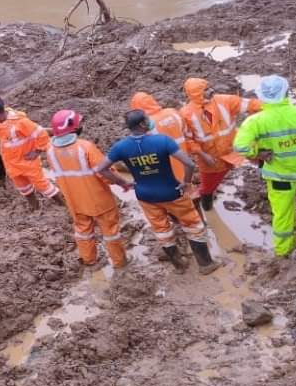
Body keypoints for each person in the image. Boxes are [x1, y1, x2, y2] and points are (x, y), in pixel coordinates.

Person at [233, 76, 296, 267]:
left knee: (282, 214)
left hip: (279, 178)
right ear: (286, 92)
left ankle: (283, 251)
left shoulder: (255, 121)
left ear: (261, 96)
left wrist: (258, 154)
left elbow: (240, 147)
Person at [98, 110, 217, 274]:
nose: (149, 121)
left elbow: (101, 169)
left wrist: (123, 183)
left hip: (145, 196)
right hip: (172, 192)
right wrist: (186, 183)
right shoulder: (162, 141)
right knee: (193, 225)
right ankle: (205, 264)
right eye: (146, 119)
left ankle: (179, 265)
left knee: (162, 229)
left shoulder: (121, 147)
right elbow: (189, 164)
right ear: (142, 124)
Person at [47, 110, 127, 269]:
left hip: (74, 201)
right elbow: (105, 172)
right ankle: (119, 262)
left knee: (83, 232)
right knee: (110, 231)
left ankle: (89, 260)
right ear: (72, 127)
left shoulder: (50, 151)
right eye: (78, 123)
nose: (81, 125)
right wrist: (122, 183)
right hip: (99, 200)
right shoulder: (85, 147)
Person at [180, 78, 262, 212]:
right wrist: (202, 154)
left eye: (209, 87)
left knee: (262, 158)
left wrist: (276, 107)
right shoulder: (186, 114)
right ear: (196, 94)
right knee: (207, 188)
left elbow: (251, 104)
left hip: (234, 150)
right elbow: (188, 139)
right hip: (211, 160)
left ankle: (274, 177)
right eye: (205, 90)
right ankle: (207, 207)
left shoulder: (224, 100)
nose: (211, 90)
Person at [0, 100, 61, 207]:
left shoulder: (21, 122)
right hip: (11, 163)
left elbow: (42, 134)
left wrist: (37, 151)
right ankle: (34, 206)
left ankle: (64, 204)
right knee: (24, 188)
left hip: (27, 161)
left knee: (43, 185)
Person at [129, 91, 191, 200]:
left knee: (175, 198)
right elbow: (187, 133)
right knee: (187, 189)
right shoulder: (173, 112)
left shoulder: (146, 126)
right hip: (184, 160)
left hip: (165, 168)